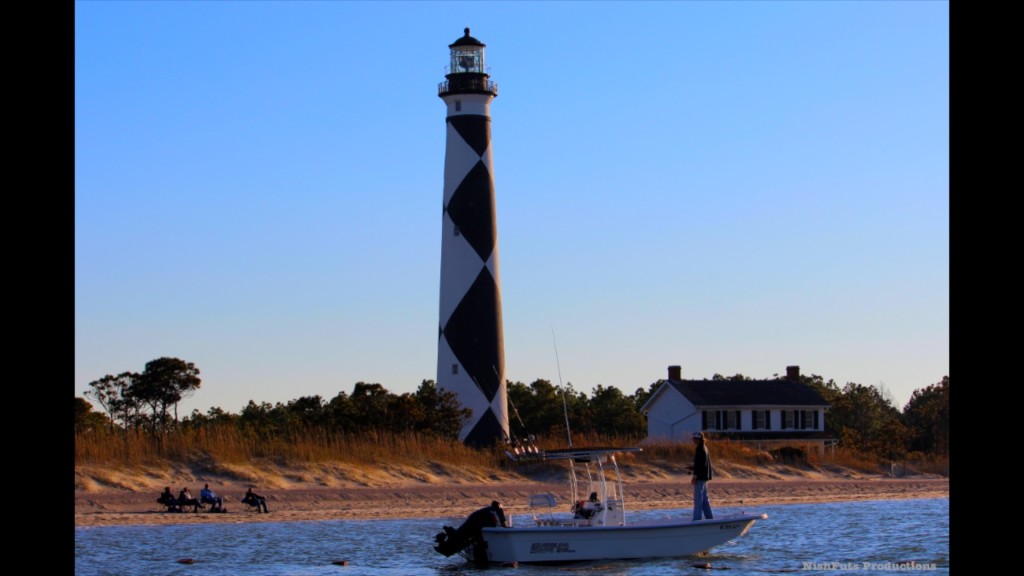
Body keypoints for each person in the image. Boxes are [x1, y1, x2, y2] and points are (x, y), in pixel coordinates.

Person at [689, 431, 714, 521]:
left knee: (698, 500)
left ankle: (697, 520)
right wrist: (693, 468)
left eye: (694, 438)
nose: (693, 440)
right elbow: (702, 464)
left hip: (700, 478)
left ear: (698, 439)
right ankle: (710, 519)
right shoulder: (704, 448)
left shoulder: (700, 449)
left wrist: (695, 476)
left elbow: (700, 465)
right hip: (705, 477)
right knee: (704, 501)